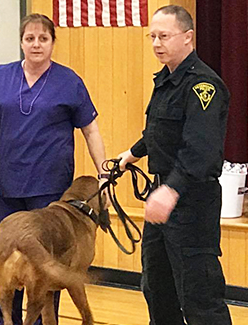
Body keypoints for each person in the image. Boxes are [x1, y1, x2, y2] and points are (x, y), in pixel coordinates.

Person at [0, 14, 108, 325]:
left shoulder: (69, 81)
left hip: (50, 190)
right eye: (30, 38)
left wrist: (103, 174)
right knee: (9, 260)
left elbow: (91, 130)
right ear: (21, 42)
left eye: (43, 39)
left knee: (44, 264)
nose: (36, 44)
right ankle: (6, 319)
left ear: (52, 43)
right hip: (6, 186)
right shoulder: (2, 78)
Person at [118, 5, 232, 325]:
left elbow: (202, 151)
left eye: (164, 36)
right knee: (157, 287)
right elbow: (160, 131)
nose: (156, 43)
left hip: (191, 201)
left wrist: (170, 190)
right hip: (162, 198)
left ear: (188, 37)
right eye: (152, 36)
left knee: (199, 296)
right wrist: (133, 153)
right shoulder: (167, 79)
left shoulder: (202, 86)